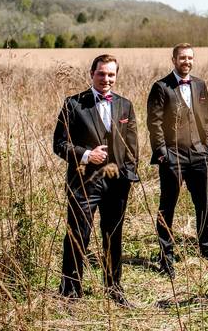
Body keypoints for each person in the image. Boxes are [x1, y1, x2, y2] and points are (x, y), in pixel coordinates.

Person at [53, 54, 139, 306]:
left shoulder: (125, 105)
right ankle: (70, 292)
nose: (106, 79)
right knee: (78, 234)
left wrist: (128, 177)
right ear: (92, 73)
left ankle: (114, 289)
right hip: (83, 181)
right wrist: (87, 155)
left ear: (116, 76)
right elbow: (58, 144)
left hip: (117, 184)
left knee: (113, 236)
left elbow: (133, 146)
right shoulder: (73, 104)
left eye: (111, 74)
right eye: (101, 73)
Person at [147, 43, 208, 275]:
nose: (186, 62)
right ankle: (166, 257)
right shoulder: (161, 87)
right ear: (174, 60)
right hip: (173, 156)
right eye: (182, 58)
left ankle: (207, 249)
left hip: (199, 154)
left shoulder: (200, 85)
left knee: (204, 203)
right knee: (167, 206)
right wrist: (162, 154)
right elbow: (154, 123)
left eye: (190, 58)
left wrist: (207, 146)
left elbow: (207, 118)